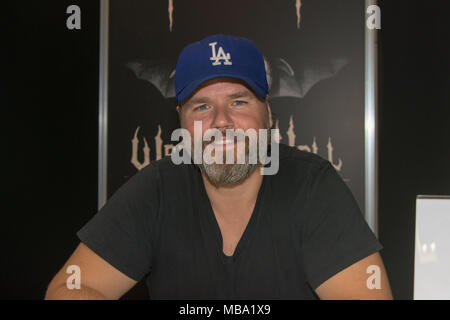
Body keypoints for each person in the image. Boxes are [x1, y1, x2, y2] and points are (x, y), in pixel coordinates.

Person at [45, 34, 393, 300]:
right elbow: (70, 286)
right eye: (201, 107)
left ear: (268, 115)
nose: (221, 122)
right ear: (180, 123)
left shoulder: (312, 185)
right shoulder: (158, 188)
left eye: (238, 102)